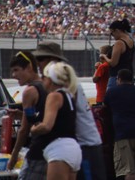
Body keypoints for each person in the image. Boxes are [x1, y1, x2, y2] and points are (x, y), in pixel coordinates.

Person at [33, 41, 106, 180]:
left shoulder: (61, 86)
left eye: (40, 59)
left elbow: (52, 120)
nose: (38, 63)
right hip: (81, 146)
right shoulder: (66, 82)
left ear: (52, 60)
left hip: (85, 145)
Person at [30, 62, 82, 180]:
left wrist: (34, 129)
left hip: (59, 149)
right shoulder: (69, 95)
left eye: (44, 77)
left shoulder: (54, 96)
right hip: (73, 148)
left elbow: (47, 126)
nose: (42, 80)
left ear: (51, 79)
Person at [8, 51, 48, 180]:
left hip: (38, 150)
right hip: (53, 150)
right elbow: (40, 117)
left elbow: (24, 129)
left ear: (29, 67)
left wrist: (14, 155)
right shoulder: (46, 85)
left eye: (16, 70)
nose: (13, 75)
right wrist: (21, 115)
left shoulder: (29, 91)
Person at [104, 69, 135, 180]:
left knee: (128, 170)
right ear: (131, 80)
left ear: (119, 79)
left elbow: (105, 106)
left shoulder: (112, 92)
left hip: (122, 134)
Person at [101, 18, 135, 91]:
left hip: (117, 77)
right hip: (129, 76)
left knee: (112, 97)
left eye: (112, 33)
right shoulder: (130, 41)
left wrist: (104, 56)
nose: (112, 36)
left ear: (117, 30)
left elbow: (113, 63)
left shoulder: (119, 43)